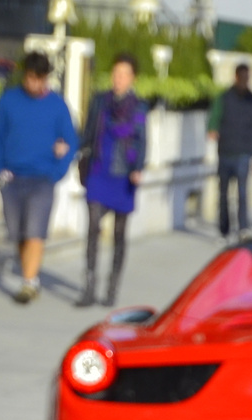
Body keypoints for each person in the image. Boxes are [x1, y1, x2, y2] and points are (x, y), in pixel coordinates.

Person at [0, 51, 77, 304]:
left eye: (40, 79)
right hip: (12, 178)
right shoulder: (8, 101)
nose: (35, 84)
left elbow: (70, 141)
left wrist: (56, 172)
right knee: (17, 234)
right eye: (31, 78)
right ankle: (30, 274)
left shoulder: (58, 105)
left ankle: (29, 282)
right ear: (24, 76)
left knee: (35, 232)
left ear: (46, 78)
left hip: (42, 180)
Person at [76, 54, 147, 308]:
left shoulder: (139, 106)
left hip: (123, 173)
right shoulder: (99, 101)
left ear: (132, 78)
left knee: (119, 233)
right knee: (93, 226)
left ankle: (112, 288)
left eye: (124, 74)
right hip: (99, 169)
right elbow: (87, 132)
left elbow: (141, 140)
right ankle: (89, 286)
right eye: (116, 74)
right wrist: (73, 148)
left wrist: (138, 168)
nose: (119, 79)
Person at [207, 63, 252, 241]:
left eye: (248, 78)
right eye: (243, 78)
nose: (245, 81)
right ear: (236, 77)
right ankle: (224, 227)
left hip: (244, 154)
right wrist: (213, 128)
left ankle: (243, 227)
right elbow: (214, 118)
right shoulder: (223, 98)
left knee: (243, 193)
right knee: (223, 194)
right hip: (225, 152)